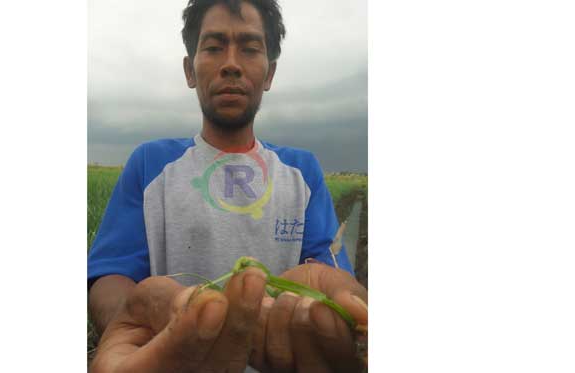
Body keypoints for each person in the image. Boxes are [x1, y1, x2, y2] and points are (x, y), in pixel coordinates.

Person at [88, 0, 368, 371]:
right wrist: (142, 319)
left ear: (269, 74)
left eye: (250, 48)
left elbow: (327, 268)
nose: (231, 63)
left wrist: (340, 309)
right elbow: (110, 275)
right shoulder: (151, 164)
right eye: (214, 46)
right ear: (190, 69)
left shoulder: (301, 170)